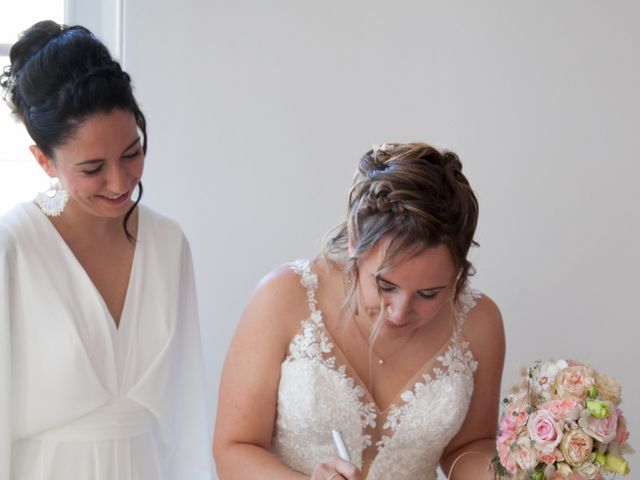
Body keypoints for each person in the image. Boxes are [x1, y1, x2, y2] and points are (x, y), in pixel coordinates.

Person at [213, 142, 505, 480]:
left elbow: (467, 447)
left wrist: (522, 470)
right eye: (385, 286)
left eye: (429, 294)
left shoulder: (480, 323)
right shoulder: (283, 297)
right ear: (355, 243)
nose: (398, 312)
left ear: (458, 273)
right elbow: (233, 449)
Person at [0, 20, 213, 479]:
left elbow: (189, 415)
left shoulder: (168, 243)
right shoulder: (11, 249)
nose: (120, 182)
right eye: (93, 167)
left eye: (132, 153)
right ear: (44, 161)